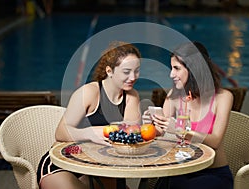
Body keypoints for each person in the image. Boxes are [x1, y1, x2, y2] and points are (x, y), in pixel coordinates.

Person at [37, 41, 142, 189]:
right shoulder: (89, 93)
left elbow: (130, 134)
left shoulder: (131, 96)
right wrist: (90, 133)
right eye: (126, 71)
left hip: (100, 167)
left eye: (136, 70)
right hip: (63, 164)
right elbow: (60, 132)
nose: (133, 77)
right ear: (109, 71)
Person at [144, 41, 234, 189]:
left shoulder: (223, 97)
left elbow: (215, 141)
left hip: (213, 174)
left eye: (176, 68)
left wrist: (181, 131)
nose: (171, 74)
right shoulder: (175, 95)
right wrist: (150, 123)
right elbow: (160, 132)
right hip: (181, 170)